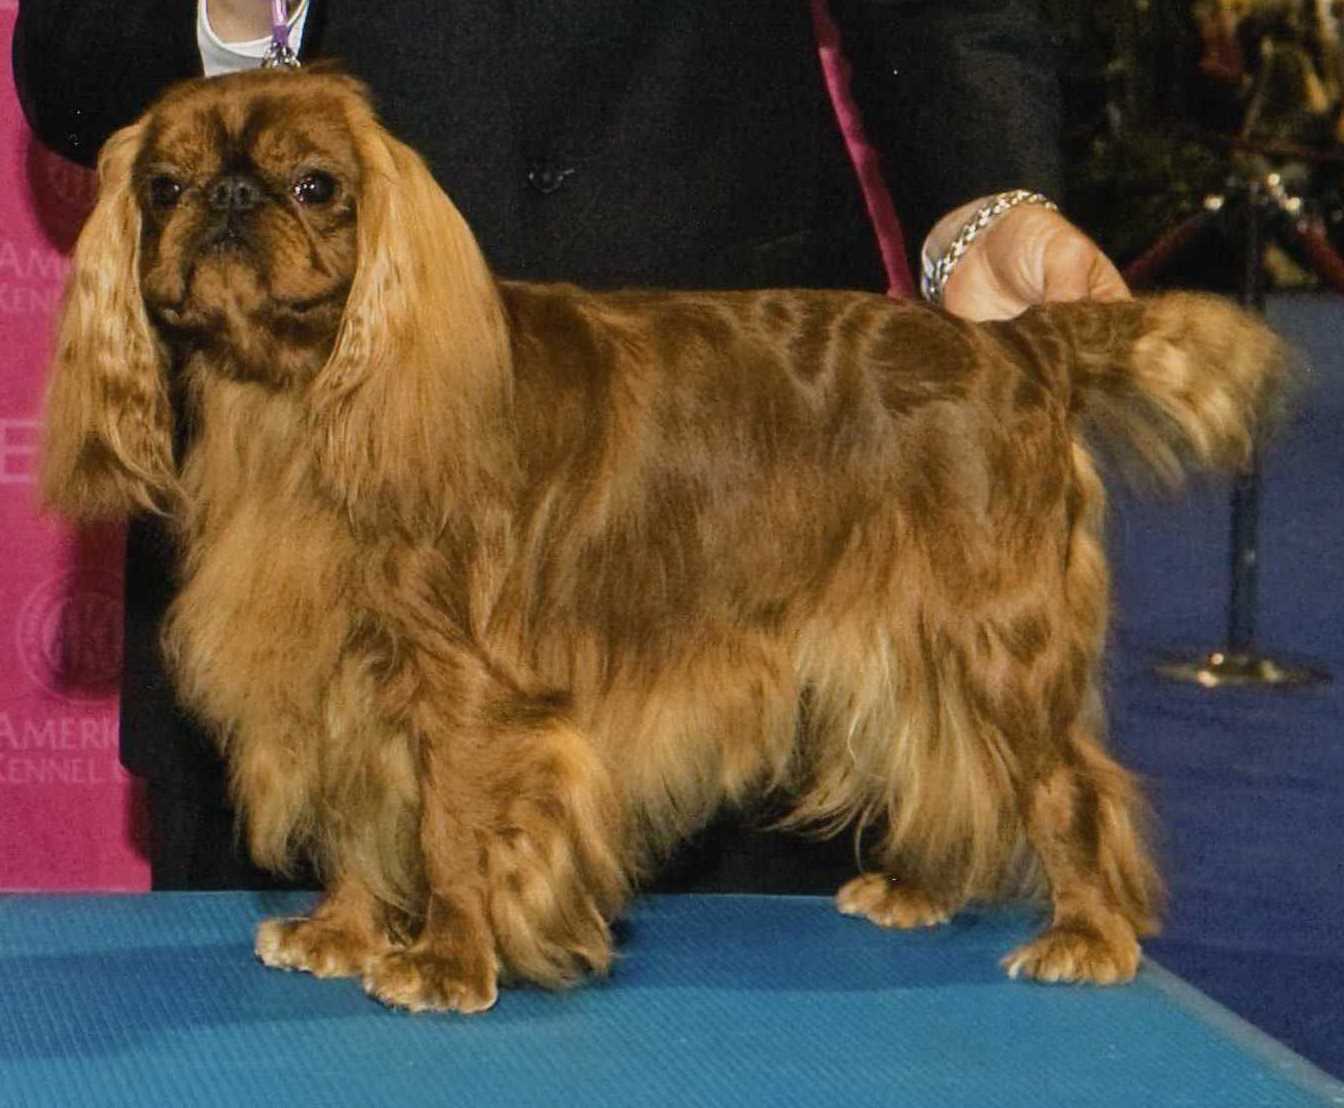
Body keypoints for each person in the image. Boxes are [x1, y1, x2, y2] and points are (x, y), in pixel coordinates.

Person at [12, 0, 1129, 892]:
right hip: (265, 461)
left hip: (753, 496)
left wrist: (983, 199)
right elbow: (72, 51)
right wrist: (233, 16)